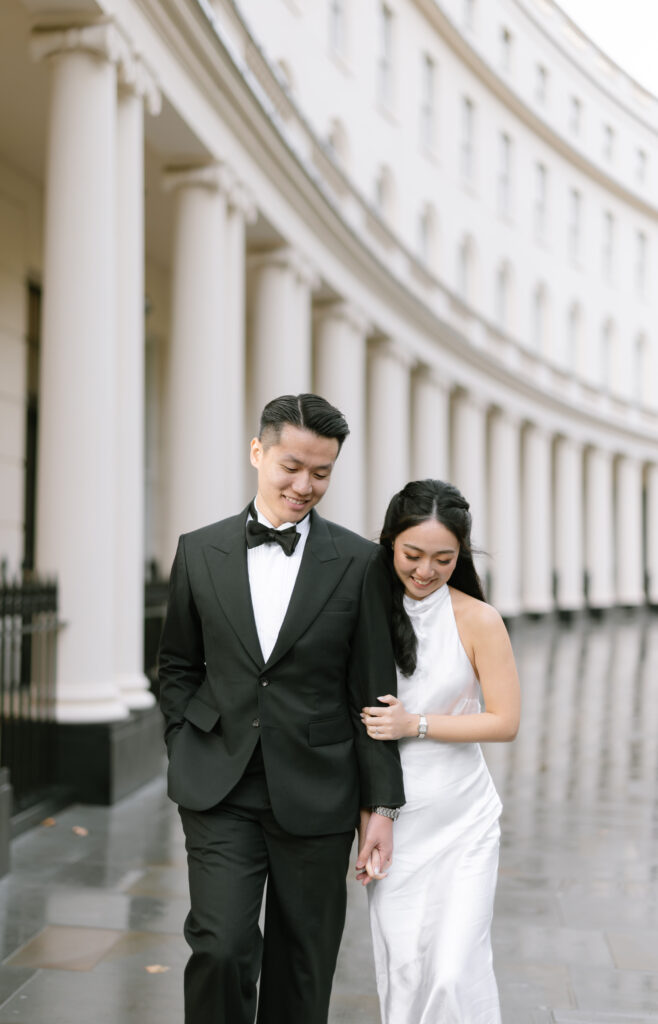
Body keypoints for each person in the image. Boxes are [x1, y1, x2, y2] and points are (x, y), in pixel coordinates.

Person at [158, 393, 405, 1024]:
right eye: (291, 467)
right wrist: (186, 738)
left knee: (304, 962)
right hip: (220, 784)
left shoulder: (359, 562)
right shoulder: (198, 550)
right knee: (220, 945)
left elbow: (372, 693)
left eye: (321, 473)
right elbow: (178, 667)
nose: (304, 485)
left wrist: (380, 805)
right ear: (257, 452)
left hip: (319, 789)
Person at [359, 479, 520, 1024]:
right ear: (389, 544)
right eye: (413, 555)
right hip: (395, 820)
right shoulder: (363, 609)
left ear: (461, 555)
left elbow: (504, 721)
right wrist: (369, 816)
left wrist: (415, 724)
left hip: (464, 819)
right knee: (405, 969)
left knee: (454, 970)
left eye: (444, 559)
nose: (426, 570)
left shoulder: (479, 619)